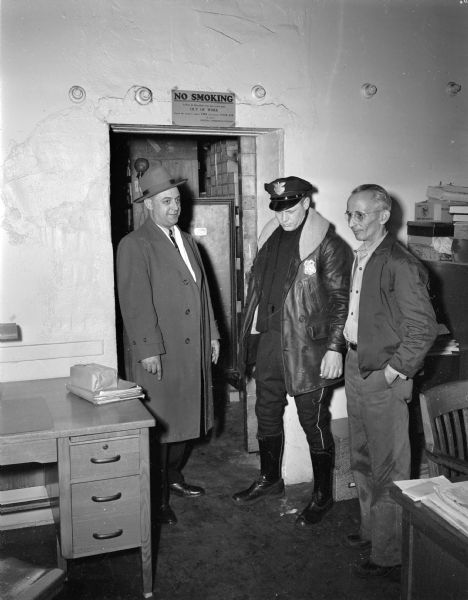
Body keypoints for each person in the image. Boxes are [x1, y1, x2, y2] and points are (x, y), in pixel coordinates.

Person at [232, 176, 352, 527]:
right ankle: (271, 479)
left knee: (312, 422)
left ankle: (322, 495)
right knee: (265, 411)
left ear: (305, 204)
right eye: (278, 208)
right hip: (269, 340)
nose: (283, 216)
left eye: (289, 208)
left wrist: (335, 348)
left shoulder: (327, 245)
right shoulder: (270, 238)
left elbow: (342, 302)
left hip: (307, 347)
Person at [117, 161, 220, 526]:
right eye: (165, 202)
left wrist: (213, 335)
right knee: (162, 426)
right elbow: (134, 301)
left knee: (187, 419)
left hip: (191, 349)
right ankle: (157, 498)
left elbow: (203, 293)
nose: (174, 207)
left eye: (176, 200)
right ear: (148, 205)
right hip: (161, 352)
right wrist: (147, 349)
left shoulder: (188, 241)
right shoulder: (135, 244)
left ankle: (173, 477)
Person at [343, 184, 438, 577]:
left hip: (384, 375)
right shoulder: (362, 256)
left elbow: (424, 329)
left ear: (383, 216)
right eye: (349, 214)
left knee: (389, 469)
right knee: (363, 459)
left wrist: (393, 371)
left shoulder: (401, 263)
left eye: (359, 215)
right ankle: (372, 533)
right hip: (355, 365)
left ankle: (390, 554)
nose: (351, 223)